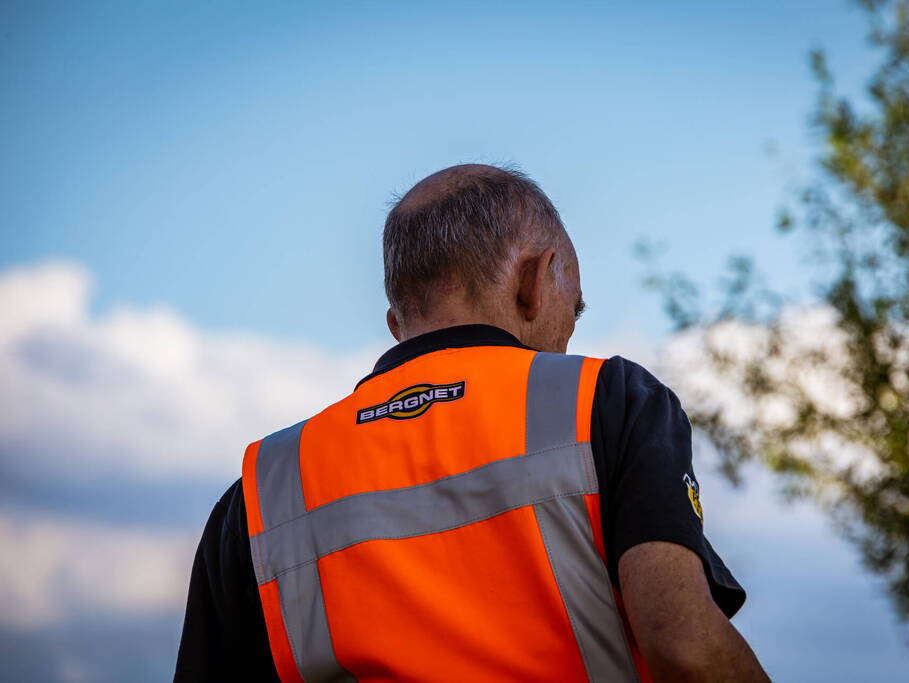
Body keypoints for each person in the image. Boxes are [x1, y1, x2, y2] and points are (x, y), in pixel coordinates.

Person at [174, 163, 770, 682]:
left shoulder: (265, 490)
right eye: (574, 306)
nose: (570, 333)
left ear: (397, 322)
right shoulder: (605, 400)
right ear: (535, 282)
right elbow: (684, 647)